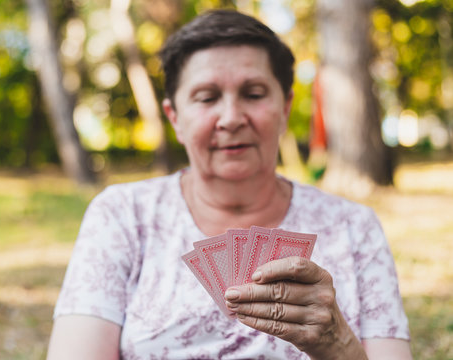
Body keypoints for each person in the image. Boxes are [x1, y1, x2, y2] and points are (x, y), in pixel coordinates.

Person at [47, 9, 411, 359]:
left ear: (285, 108)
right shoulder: (122, 215)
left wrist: (337, 345)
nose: (232, 118)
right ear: (175, 117)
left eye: (253, 94)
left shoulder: (354, 228)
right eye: (207, 98)